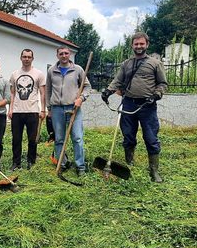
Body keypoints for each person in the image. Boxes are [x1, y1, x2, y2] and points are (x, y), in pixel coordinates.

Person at [102, 31, 167, 182]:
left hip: (147, 105)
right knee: (128, 136)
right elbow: (117, 81)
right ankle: (129, 163)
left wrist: (157, 94)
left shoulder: (155, 63)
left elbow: (162, 84)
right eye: (136, 44)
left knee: (151, 138)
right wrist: (108, 91)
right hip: (128, 104)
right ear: (132, 45)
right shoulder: (126, 64)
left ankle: (154, 171)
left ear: (147, 45)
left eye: (141, 44)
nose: (139, 46)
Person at [46, 47, 91, 176]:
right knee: (59, 138)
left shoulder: (78, 69)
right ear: (57, 55)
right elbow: (48, 90)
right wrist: (49, 108)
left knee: (77, 137)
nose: (64, 56)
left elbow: (87, 87)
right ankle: (62, 163)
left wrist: (81, 98)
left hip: (73, 108)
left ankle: (80, 166)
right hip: (57, 109)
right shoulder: (51, 71)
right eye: (61, 54)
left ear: (69, 54)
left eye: (66, 53)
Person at [8, 49, 46, 171]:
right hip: (17, 112)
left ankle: (31, 161)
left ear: (32, 59)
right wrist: (10, 109)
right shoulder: (14, 74)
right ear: (21, 58)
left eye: (29, 57)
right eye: (24, 56)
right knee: (16, 139)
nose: (26, 59)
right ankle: (16, 162)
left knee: (32, 139)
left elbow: (42, 93)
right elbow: (12, 94)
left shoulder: (39, 74)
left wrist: (43, 110)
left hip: (33, 111)